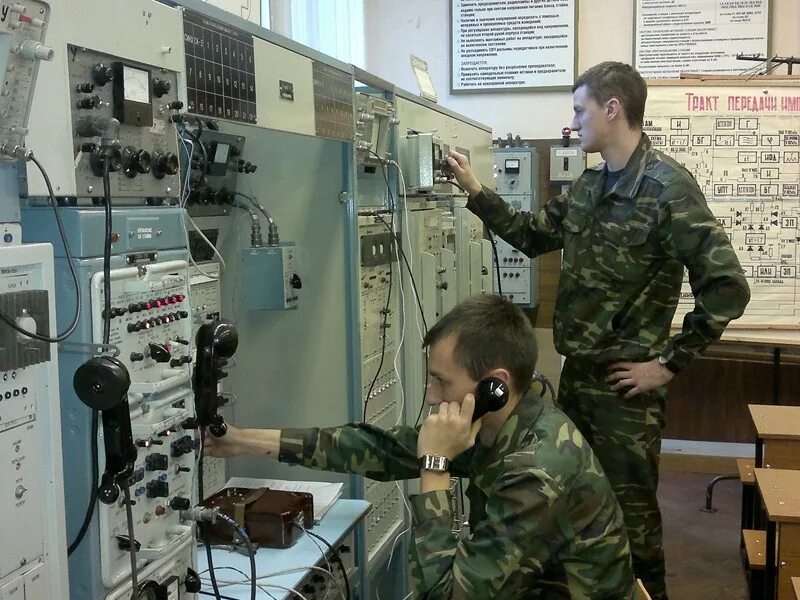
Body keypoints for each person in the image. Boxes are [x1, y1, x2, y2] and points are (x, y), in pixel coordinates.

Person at [445, 61, 751, 600]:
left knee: (632, 522)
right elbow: (532, 235)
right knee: (577, 508)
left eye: (579, 110)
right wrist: (474, 186)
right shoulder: (590, 184)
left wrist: (668, 364)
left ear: (613, 109)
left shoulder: (668, 189)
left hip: (624, 389)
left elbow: (728, 288)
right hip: (578, 379)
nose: (573, 123)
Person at [205, 294, 635, 599]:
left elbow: (445, 594)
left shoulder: (537, 469)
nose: (431, 396)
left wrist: (435, 466)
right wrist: (243, 440)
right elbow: (377, 448)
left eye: (441, 381)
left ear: (495, 387)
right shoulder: (505, 419)